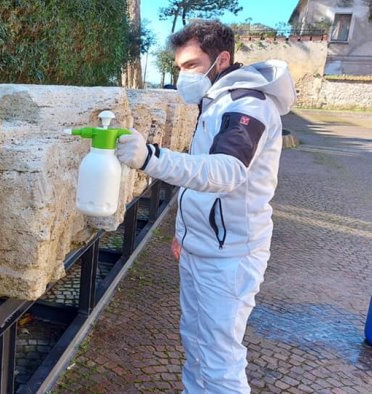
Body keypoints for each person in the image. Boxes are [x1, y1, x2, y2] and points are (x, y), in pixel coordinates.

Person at [116, 20, 296, 393]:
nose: (183, 75)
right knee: (195, 344)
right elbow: (201, 181)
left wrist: (151, 157)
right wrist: (185, 234)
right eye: (179, 67)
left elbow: (225, 171)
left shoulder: (249, 105)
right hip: (202, 248)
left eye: (191, 65)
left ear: (222, 59)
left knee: (219, 360)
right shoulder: (216, 101)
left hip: (231, 257)